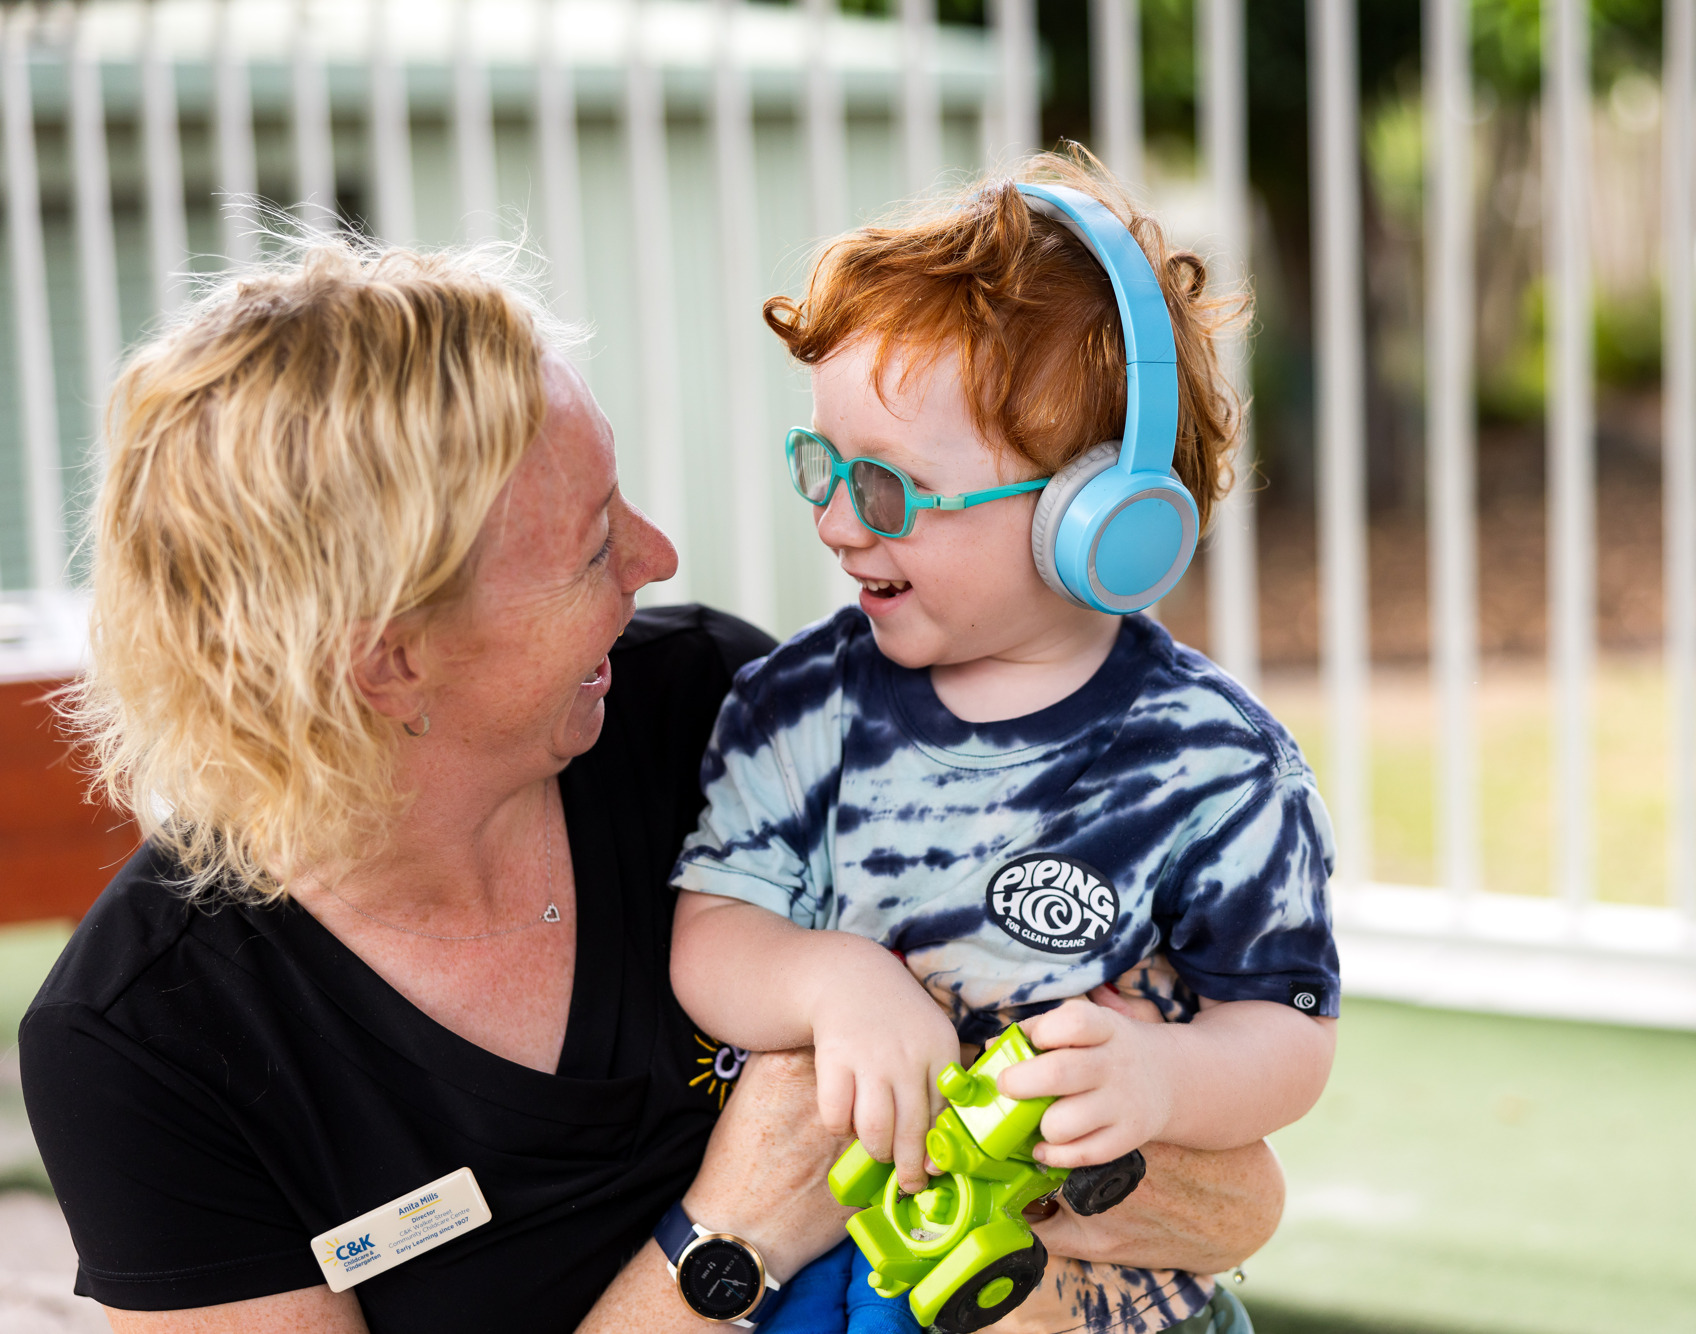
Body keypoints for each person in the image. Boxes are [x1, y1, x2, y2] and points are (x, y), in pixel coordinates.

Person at [19, 242, 1283, 1334]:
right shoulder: (147, 1040)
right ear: (390, 657)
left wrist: (1057, 1131)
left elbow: (1231, 1195)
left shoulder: (725, 715)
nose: (656, 556)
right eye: (588, 547)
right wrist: (728, 1233)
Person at [669, 154, 1340, 1334]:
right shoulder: (794, 708)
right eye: (821, 466)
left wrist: (1164, 1077)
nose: (833, 520)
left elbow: (1286, 1032)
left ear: (1100, 519)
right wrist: (834, 979)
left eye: (885, 490)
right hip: (840, 1275)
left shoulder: (1213, 765)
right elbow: (711, 936)